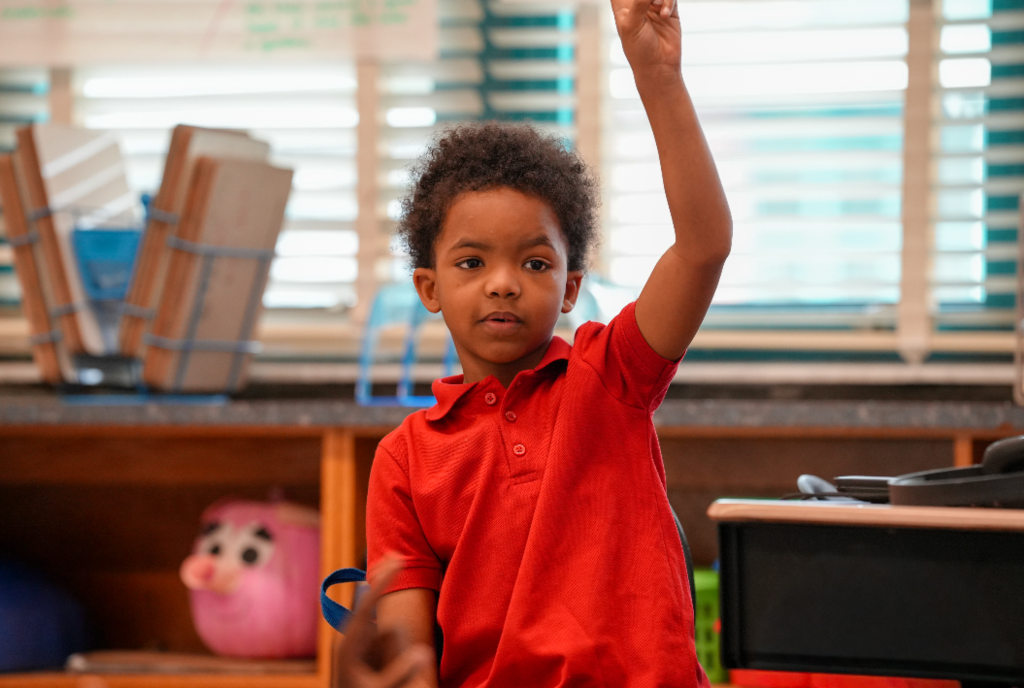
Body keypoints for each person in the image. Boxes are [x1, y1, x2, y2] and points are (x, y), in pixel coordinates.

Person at [333, 0, 732, 682]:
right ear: (428, 289)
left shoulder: (611, 376)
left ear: (570, 289)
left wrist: (658, 78)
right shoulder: (405, 460)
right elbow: (408, 658)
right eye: (471, 262)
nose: (503, 284)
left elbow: (702, 248)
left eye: (535, 262)